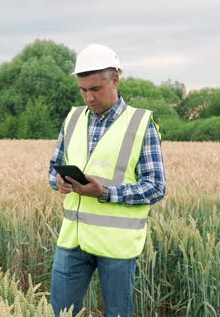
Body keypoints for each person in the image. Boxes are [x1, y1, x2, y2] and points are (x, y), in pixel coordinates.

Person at [48, 44, 166, 317]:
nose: (89, 97)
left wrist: (105, 193)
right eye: (83, 90)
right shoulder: (73, 118)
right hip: (72, 241)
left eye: (95, 89)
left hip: (116, 245)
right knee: (61, 314)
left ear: (115, 80)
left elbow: (156, 187)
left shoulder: (140, 123)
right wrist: (59, 182)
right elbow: (52, 168)